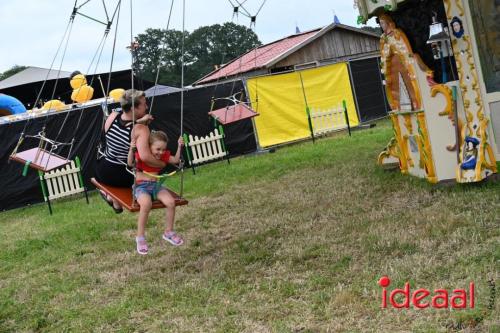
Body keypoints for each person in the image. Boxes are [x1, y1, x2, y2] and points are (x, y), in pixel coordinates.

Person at [95, 89, 164, 213]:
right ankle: (112, 198)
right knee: (146, 177)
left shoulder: (112, 116)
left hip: (102, 170)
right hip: (123, 176)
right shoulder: (141, 129)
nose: (147, 106)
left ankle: (113, 199)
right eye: (144, 104)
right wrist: (162, 164)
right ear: (133, 108)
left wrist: (137, 122)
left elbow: (117, 129)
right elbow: (145, 157)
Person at [128, 130, 184, 255]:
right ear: (149, 147)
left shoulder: (163, 156)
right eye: (158, 149)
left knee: (170, 202)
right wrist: (131, 150)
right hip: (141, 187)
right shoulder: (143, 155)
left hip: (156, 186)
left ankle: (168, 232)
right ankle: (140, 237)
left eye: (163, 149)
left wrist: (179, 146)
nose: (161, 152)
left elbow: (175, 160)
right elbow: (130, 163)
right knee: (146, 204)